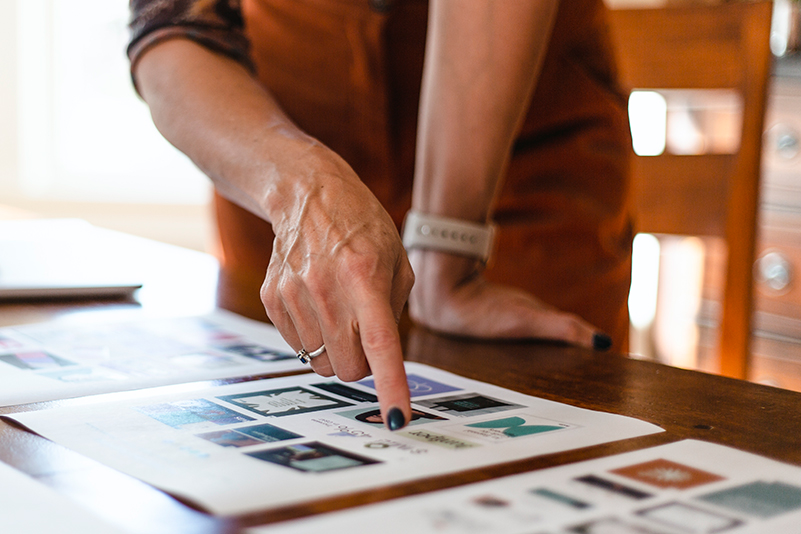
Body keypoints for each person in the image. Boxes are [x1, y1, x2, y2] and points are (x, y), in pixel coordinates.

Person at [128, 0, 633, 431]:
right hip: (270, 117)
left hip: (514, 111)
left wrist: (450, 247)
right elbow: (170, 25)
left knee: (547, 432)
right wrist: (301, 186)